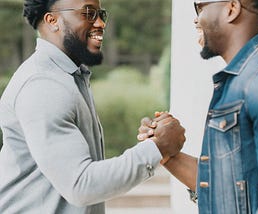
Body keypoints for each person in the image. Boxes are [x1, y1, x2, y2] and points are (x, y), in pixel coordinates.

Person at [0, 0, 185, 213]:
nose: (100, 23)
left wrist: (154, 144)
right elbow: (81, 184)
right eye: (88, 13)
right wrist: (157, 148)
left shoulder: (68, 77)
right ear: (52, 20)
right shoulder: (43, 85)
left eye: (100, 14)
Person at [138, 0, 258, 213]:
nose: (196, 19)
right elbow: (221, 187)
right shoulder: (239, 80)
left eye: (200, 7)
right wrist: (165, 152)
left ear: (231, 9)